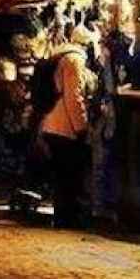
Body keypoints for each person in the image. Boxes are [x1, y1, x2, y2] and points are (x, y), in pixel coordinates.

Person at [39, 23, 99, 229]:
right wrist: (81, 127)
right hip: (65, 127)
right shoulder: (73, 61)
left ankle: (62, 216)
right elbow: (74, 97)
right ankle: (69, 219)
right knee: (71, 174)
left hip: (52, 124)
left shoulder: (58, 56)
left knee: (61, 175)